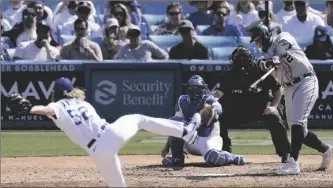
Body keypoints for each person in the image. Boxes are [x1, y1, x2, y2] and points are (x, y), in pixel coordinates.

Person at [6, 77, 202, 187]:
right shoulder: (80, 102)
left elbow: (49, 110)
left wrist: (30, 108)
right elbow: (54, 109)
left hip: (98, 153)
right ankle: (186, 131)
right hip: (109, 135)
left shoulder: (56, 105)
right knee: (139, 119)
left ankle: (186, 131)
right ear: (72, 91)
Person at [248, 23, 333, 175]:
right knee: (299, 131)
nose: (257, 43)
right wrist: (267, 63)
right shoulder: (263, 56)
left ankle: (293, 162)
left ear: (264, 36)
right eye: (255, 41)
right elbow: (261, 63)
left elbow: (283, 48)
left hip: (306, 81)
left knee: (297, 123)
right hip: (288, 88)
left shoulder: (283, 38)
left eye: (258, 40)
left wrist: (277, 57)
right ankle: (326, 150)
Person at [217, 46, 291, 162]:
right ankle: (224, 152)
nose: (242, 60)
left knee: (274, 116)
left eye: (244, 57)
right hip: (237, 109)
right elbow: (217, 93)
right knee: (217, 118)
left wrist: (273, 106)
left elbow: (278, 89)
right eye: (239, 57)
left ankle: (286, 153)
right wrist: (210, 103)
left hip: (260, 107)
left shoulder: (261, 71)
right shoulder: (227, 75)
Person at [160, 75, 245, 167]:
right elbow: (175, 126)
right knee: (175, 121)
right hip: (190, 141)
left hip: (207, 139)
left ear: (203, 88)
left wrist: (212, 111)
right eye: (192, 88)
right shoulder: (182, 101)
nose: (195, 90)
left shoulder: (209, 100)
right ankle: (177, 158)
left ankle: (232, 157)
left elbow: (219, 107)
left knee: (213, 157)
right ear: (188, 88)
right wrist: (168, 145)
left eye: (198, 88)